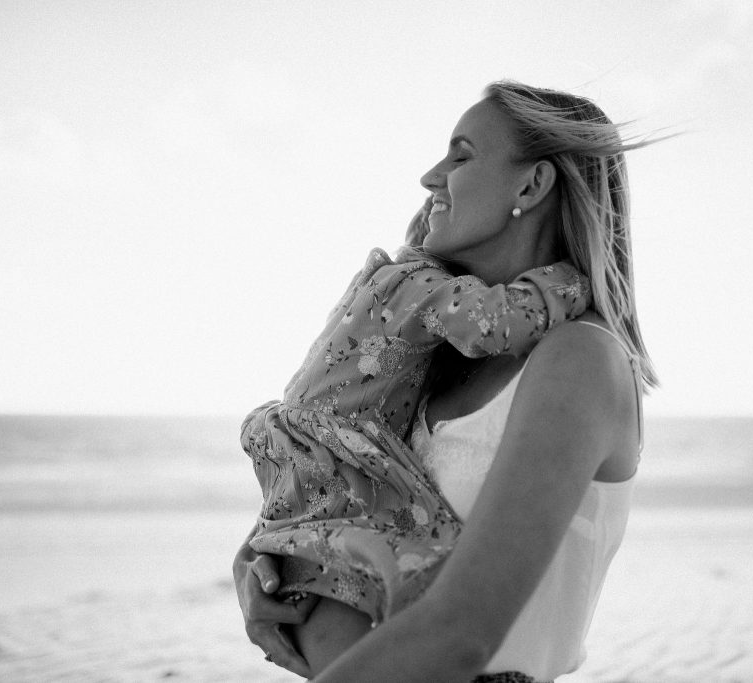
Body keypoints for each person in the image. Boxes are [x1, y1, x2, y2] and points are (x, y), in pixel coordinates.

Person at [233, 79, 656, 682]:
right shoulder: (433, 365)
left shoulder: (579, 358)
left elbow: (461, 635)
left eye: (461, 155)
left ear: (532, 185)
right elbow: (346, 487)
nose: (431, 177)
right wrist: (266, 561)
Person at [239, 182, 591, 667]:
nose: (433, 178)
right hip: (337, 469)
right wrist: (572, 281)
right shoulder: (413, 284)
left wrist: (257, 551)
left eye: (463, 158)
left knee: (338, 632)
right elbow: (499, 321)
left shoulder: (385, 286)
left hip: (311, 474)